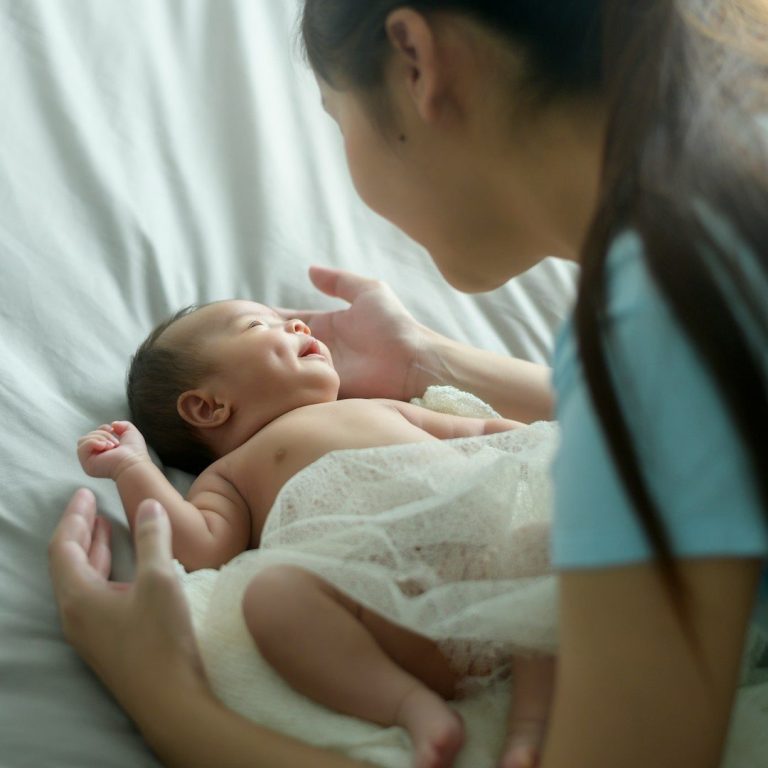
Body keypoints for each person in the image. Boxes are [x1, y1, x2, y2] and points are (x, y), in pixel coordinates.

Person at [49, 2, 768, 768]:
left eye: (337, 119)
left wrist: (171, 708)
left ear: (415, 62)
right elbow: (678, 431)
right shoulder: (710, 247)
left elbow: (652, 406)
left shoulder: (664, 323)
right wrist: (427, 360)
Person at [75, 298, 555, 768]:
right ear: (208, 406)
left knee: (542, 538)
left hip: (491, 571)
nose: (298, 327)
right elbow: (198, 549)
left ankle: (530, 726)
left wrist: (542, 442)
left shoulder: (376, 407)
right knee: (272, 596)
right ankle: (410, 706)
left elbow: (478, 433)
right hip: (385, 610)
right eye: (257, 326)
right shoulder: (230, 475)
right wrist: (133, 468)